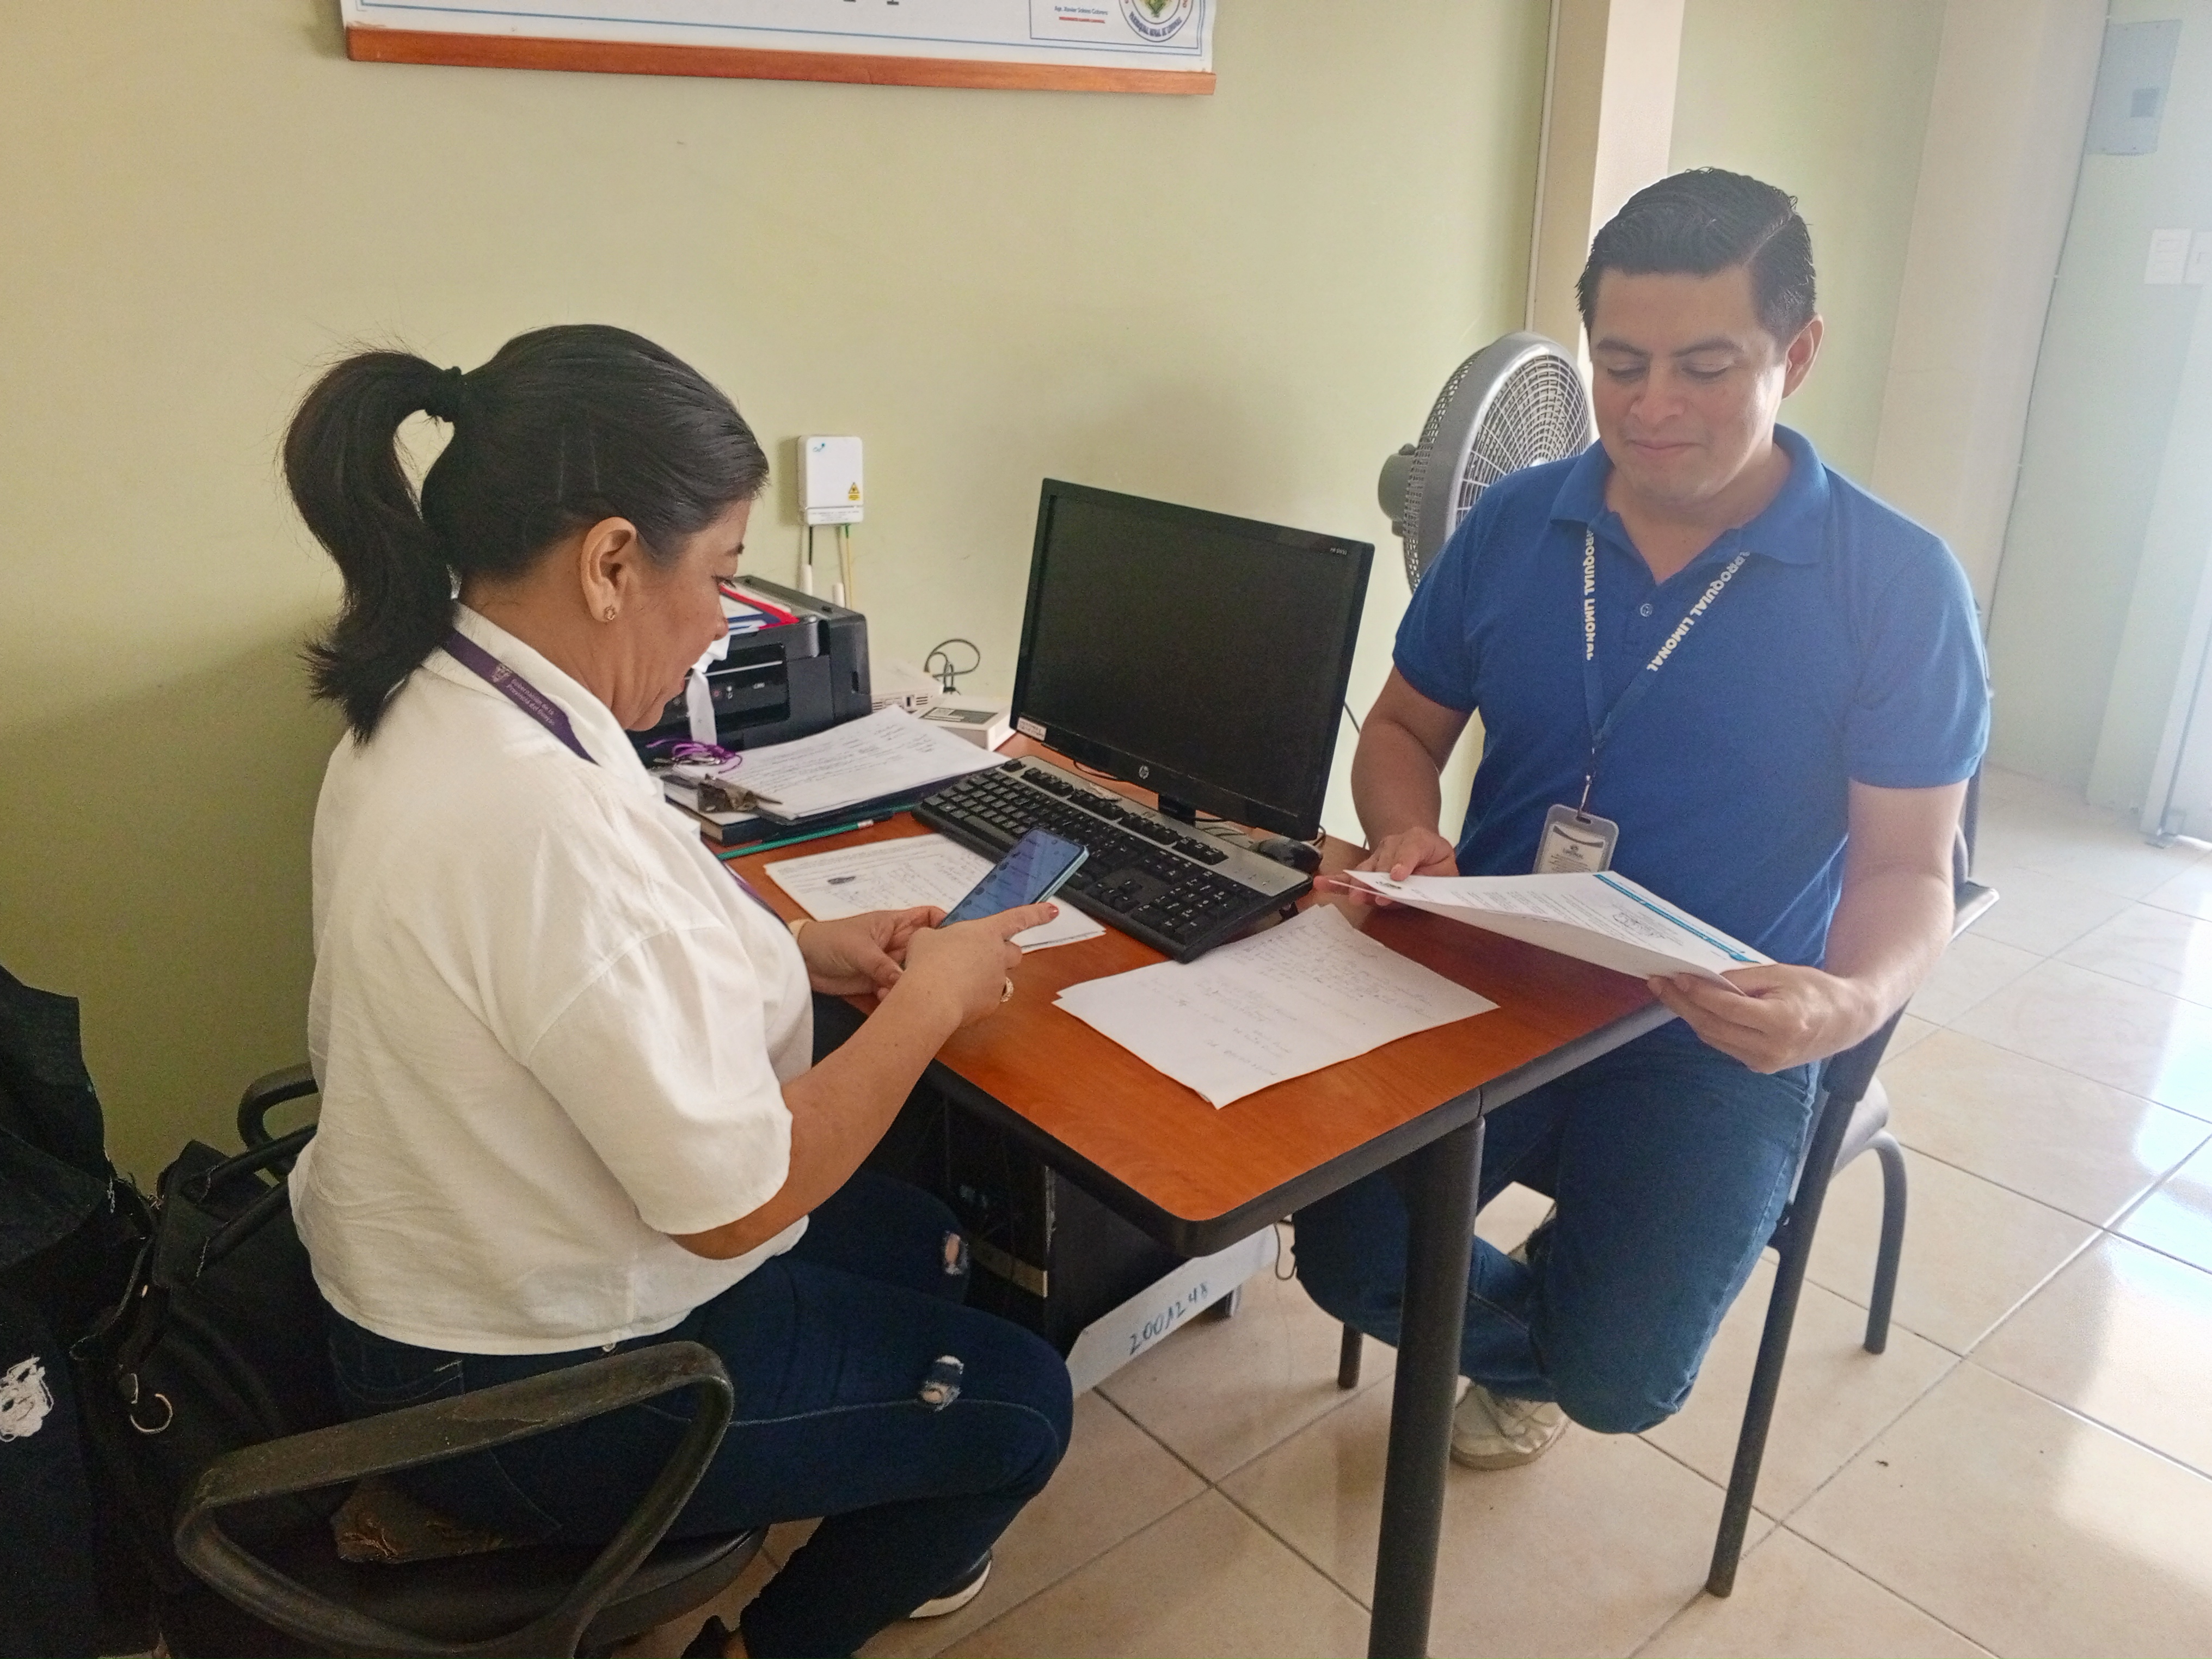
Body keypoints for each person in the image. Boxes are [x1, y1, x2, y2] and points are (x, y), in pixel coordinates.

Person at [282, 324, 1072, 1659]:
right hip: (518, 1385)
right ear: (609, 563)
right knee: (1026, 1408)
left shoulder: (452, 687)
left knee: (928, 1244)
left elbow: (581, 967)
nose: (724, 620)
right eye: (719, 575)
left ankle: (854, 1480)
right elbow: (735, 1207)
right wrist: (929, 1002)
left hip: (451, 1271)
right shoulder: (531, 814)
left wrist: (806, 952)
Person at [1297, 170, 1989, 1468]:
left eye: (1704, 368)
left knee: (1622, 1388)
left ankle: (1583, 1333)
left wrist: (1844, 1005)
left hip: (1709, 1021)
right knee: (1343, 1257)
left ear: (1797, 355)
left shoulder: (1894, 583)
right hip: (1494, 970)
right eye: (1618, 365)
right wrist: (1403, 832)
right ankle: (1565, 1310)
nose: (1650, 408)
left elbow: (1910, 868)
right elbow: (1399, 734)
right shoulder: (1515, 521)